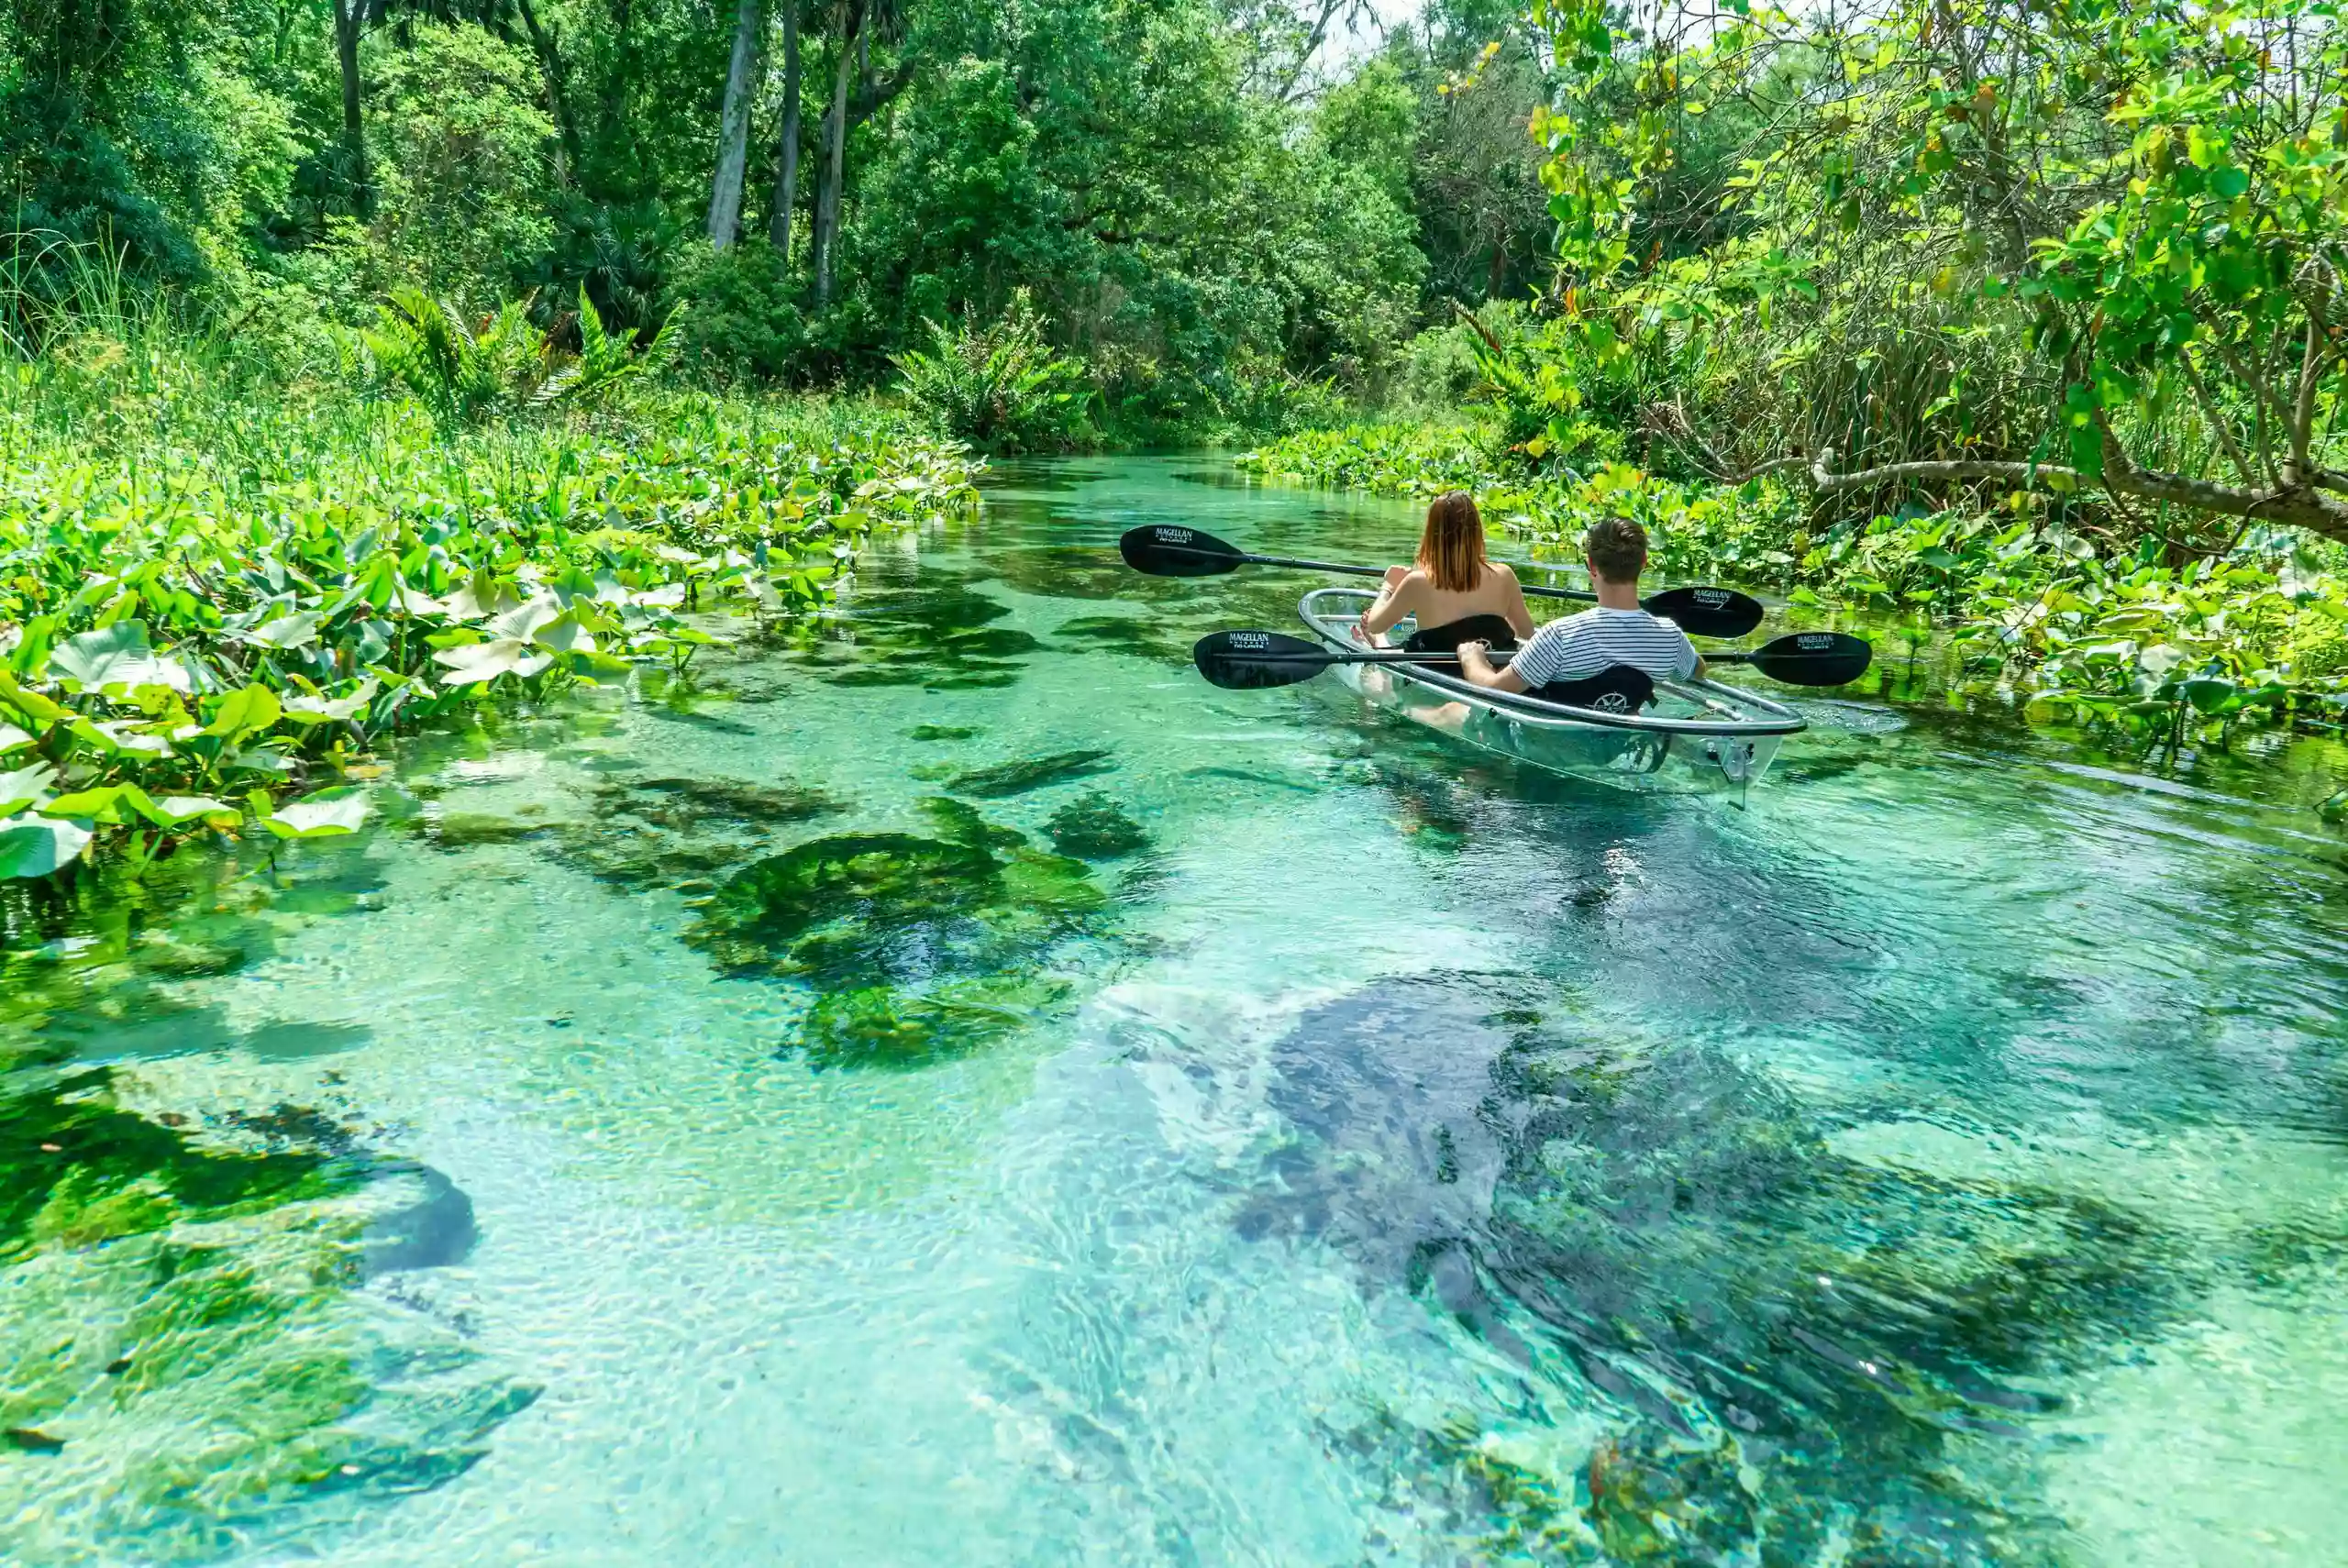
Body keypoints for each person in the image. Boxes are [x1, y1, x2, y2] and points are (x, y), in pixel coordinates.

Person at [1453, 515, 1709, 708]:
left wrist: (1472, 658)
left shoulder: (1560, 635)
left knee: (1439, 712)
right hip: (1615, 746)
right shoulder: (1671, 638)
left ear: (1591, 565)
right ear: (1643, 563)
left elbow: (1493, 691)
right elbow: (1697, 671)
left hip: (1546, 744)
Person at [1351, 491, 1535, 653]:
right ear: (1476, 532)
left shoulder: (1417, 582)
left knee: (1382, 635)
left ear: (1432, 533)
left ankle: (1379, 643)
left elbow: (1374, 625)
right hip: (1489, 671)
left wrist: (1388, 587)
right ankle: (1380, 644)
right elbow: (1527, 633)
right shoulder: (1505, 576)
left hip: (1436, 673)